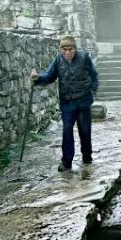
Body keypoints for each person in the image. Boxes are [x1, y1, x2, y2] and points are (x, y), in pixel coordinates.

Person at [31, 35, 99, 172]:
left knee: (85, 130)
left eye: (71, 49)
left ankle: (87, 155)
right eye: (65, 49)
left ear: (75, 49)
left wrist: (93, 91)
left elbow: (94, 75)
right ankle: (66, 161)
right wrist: (37, 79)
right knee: (67, 131)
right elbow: (50, 76)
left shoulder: (84, 57)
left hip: (83, 100)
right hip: (67, 103)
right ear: (61, 49)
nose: (68, 52)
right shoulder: (58, 60)